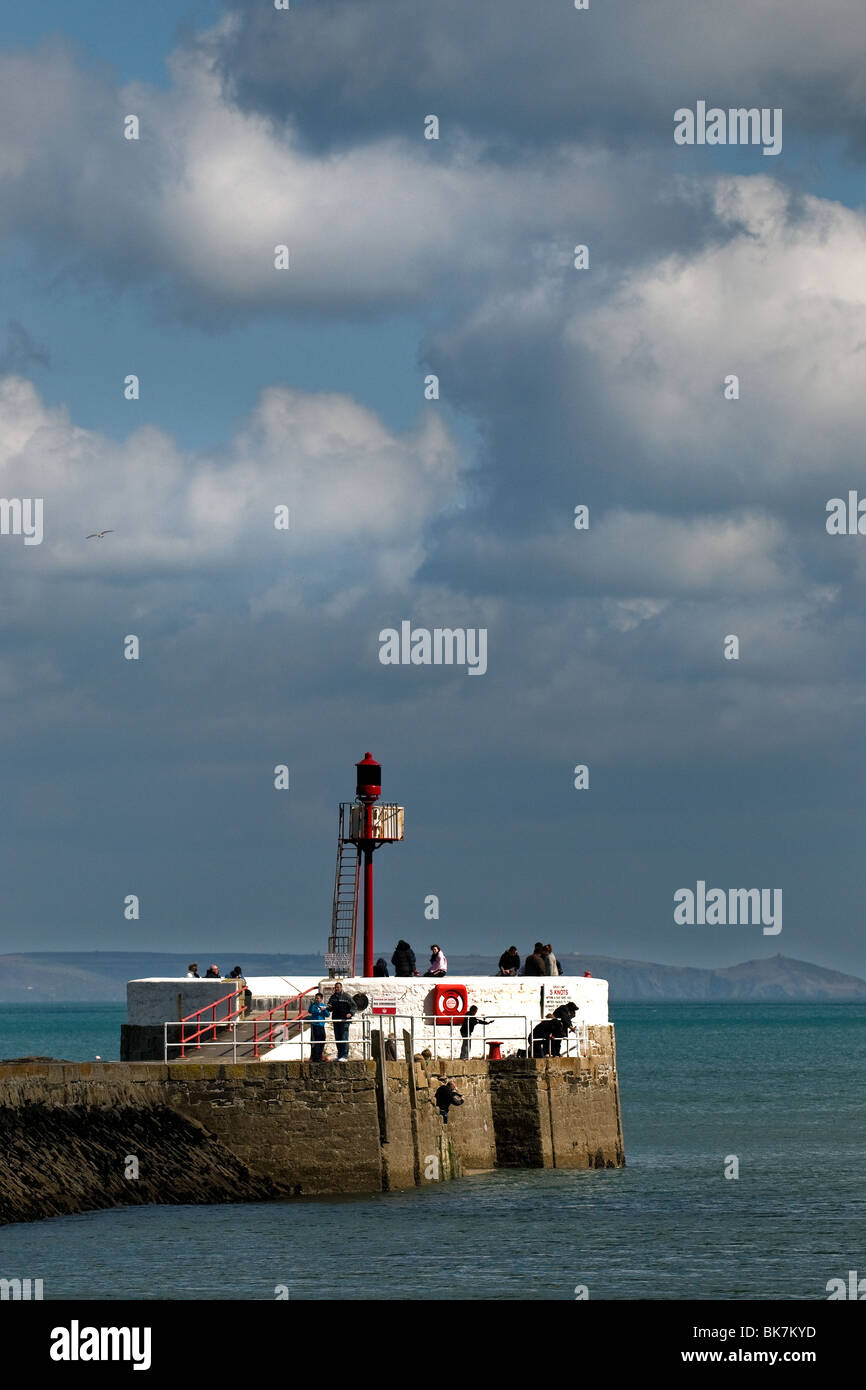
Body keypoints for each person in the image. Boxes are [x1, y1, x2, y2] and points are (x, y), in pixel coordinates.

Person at [327, 981, 356, 1060]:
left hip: (345, 1020)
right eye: (335, 987)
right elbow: (330, 1008)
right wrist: (328, 1007)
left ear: (341, 988)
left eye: (338, 987)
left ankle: (345, 1055)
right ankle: (340, 1055)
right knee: (338, 1038)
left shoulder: (347, 996)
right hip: (336, 1020)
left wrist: (351, 1013)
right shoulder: (333, 997)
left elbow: (354, 1006)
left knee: (344, 1037)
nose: (337, 989)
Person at [305, 992, 330, 1063]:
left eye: (318, 998)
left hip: (321, 1025)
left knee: (322, 1039)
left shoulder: (324, 1006)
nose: (317, 999)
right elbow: (310, 1011)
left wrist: (324, 1009)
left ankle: (320, 1055)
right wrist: (313, 1004)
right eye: (316, 998)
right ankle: (315, 1057)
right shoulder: (313, 1005)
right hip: (314, 1025)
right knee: (315, 1040)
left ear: (321, 999)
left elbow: (327, 1015)